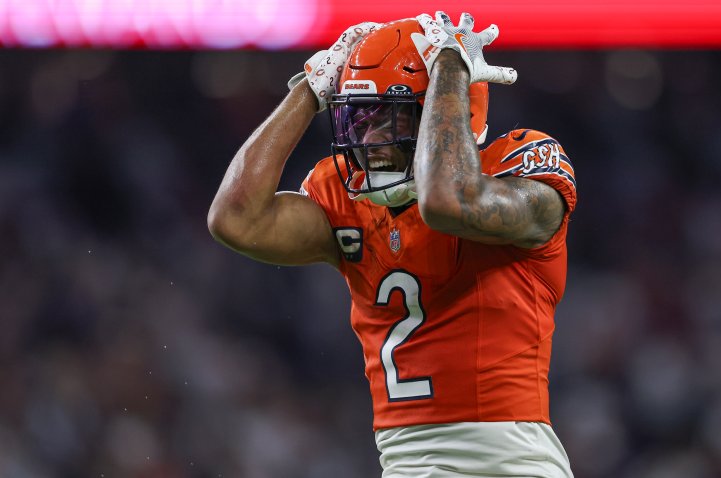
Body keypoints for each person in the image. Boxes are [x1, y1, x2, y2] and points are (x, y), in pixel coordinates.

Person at [208, 11, 577, 478]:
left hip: (510, 465)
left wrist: (449, 66)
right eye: (361, 117)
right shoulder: (346, 198)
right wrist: (307, 90)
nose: (368, 139)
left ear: (445, 104)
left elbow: (448, 200)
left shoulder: (515, 166)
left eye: (390, 116)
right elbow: (235, 218)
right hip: (404, 466)